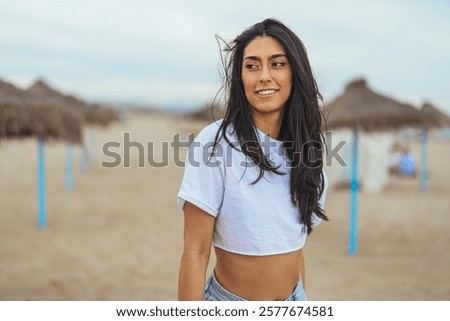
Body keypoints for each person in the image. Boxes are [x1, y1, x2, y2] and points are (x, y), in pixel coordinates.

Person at [177, 18, 328, 301]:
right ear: (240, 77)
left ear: (296, 72)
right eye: (252, 65)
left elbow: (295, 243)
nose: (264, 76)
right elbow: (195, 252)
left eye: (278, 64)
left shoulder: (307, 149)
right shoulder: (214, 143)